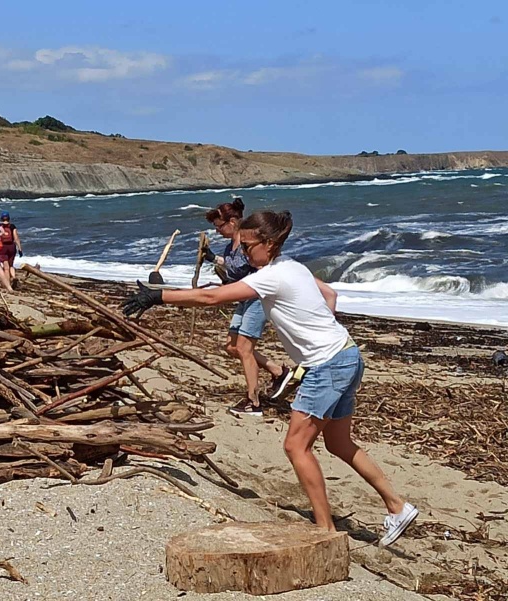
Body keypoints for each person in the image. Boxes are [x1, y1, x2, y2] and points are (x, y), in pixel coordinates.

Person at [122, 210, 418, 546]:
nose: (245, 252)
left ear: (270, 243)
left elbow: (210, 297)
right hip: (348, 354)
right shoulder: (293, 267)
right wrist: (318, 329)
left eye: (249, 246)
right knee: (338, 443)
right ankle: (397, 506)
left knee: (295, 446)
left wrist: (156, 296)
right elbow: (329, 295)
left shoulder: (272, 276)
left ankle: (325, 531)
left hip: (328, 366)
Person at [202, 196, 293, 416]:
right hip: (244, 299)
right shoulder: (230, 248)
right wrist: (213, 258)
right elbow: (232, 267)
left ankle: (254, 402)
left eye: (219, 226)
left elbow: (250, 268)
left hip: (257, 298)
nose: (218, 231)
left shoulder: (248, 245)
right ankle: (278, 371)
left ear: (232, 222)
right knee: (232, 346)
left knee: (244, 348)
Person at [0, 211, 23, 286]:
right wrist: (20, 249)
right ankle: (14, 277)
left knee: (6, 267)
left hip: (3, 247)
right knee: (11, 265)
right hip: (12, 246)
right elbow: (16, 237)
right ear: (9, 218)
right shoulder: (12, 226)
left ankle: (7, 284)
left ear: (1, 218)